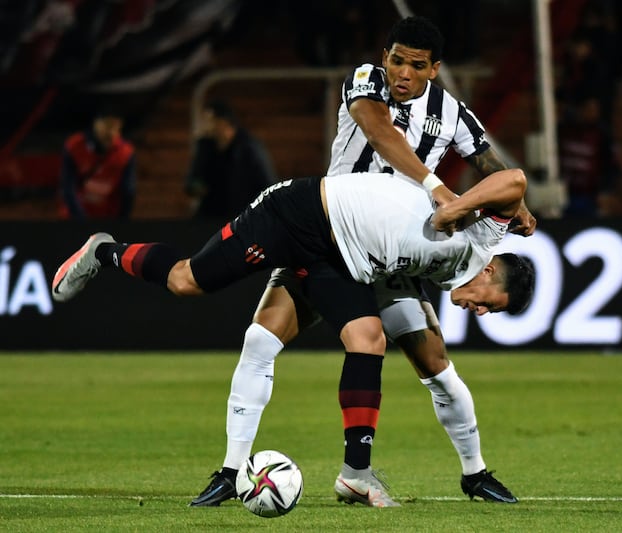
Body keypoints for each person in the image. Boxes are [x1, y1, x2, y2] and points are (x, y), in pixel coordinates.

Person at [189, 16, 536, 508]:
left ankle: (472, 474)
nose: (402, 73)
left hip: (395, 259)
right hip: (332, 237)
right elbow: (378, 133)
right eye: (396, 59)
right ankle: (230, 469)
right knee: (260, 338)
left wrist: (515, 204)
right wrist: (441, 191)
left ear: (434, 69)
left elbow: (489, 161)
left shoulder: (451, 112)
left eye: (416, 66)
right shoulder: (367, 80)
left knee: (436, 366)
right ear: (386, 56)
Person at [51, 169, 536, 505]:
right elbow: (514, 181)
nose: (478, 310)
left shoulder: (458, 267)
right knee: (187, 281)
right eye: (488, 303)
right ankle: (106, 251)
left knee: (368, 339)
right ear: (491, 271)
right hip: (296, 214)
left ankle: (354, 475)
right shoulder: (480, 241)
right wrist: (455, 205)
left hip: (340, 258)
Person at [185, 99, 276, 219]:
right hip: (210, 217)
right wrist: (197, 187)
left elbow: (266, 185)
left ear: (222, 122)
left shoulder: (249, 148)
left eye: (209, 121)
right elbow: (193, 181)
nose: (205, 126)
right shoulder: (205, 147)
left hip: (241, 217)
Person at [58, 107, 136, 219]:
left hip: (108, 218)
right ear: (96, 124)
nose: (110, 131)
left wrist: (121, 221)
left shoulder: (125, 152)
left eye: (115, 126)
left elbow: (128, 190)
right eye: (107, 125)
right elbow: (68, 187)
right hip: (75, 218)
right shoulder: (75, 146)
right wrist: (81, 220)